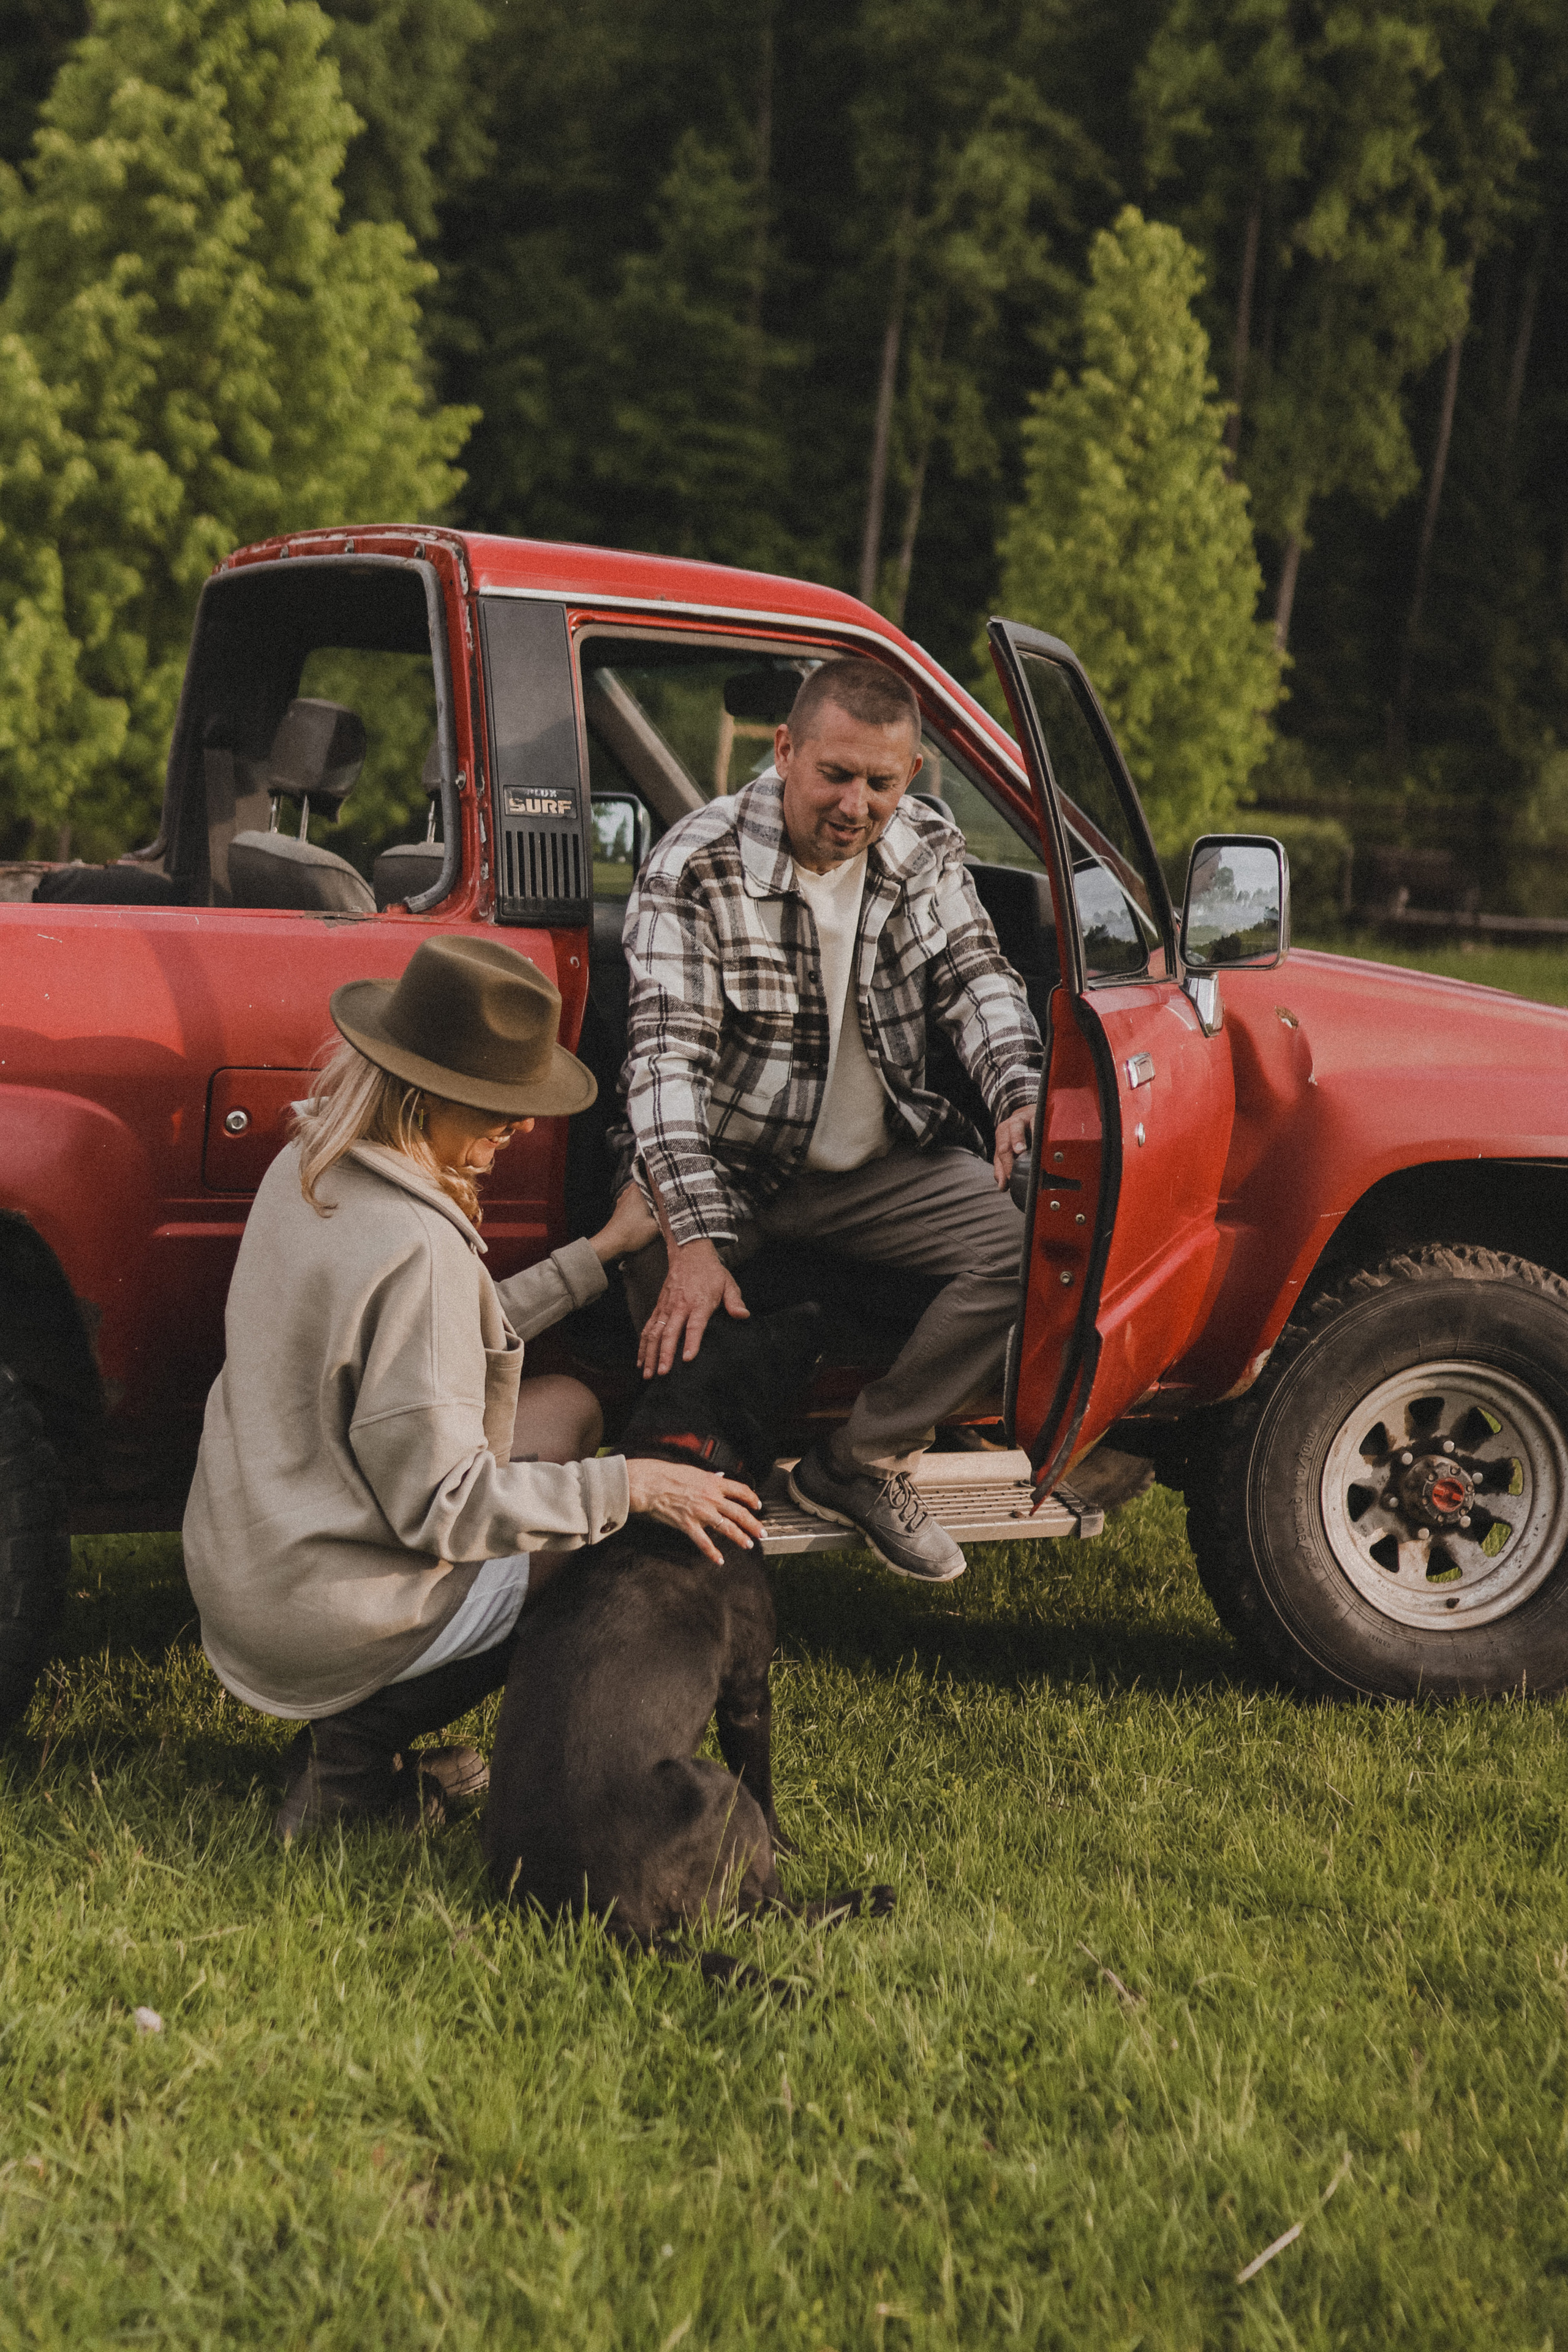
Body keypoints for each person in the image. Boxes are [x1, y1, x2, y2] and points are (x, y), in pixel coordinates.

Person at [183, 933, 763, 1841]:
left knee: (568, 1408)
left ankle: (349, 1737)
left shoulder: (314, 1168)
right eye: (498, 1109)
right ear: (424, 1096)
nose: (520, 1128)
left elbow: (424, 1336)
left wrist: (599, 1254)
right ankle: (348, 1769)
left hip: (254, 1561)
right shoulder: (417, 1246)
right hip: (327, 1610)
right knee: (601, 1539)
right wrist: (634, 1485)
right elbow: (446, 1510)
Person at [616, 655, 1043, 1583]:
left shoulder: (923, 846)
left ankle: (860, 1461)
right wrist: (692, 1239)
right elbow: (665, 1064)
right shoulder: (696, 863)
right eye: (835, 775)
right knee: (679, 1340)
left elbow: (978, 981)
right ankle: (675, 1559)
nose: (856, 804)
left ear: (912, 777)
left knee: (1028, 1247)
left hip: (875, 1169)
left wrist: (1017, 1095)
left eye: (880, 783)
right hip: (719, 1167)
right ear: (784, 752)